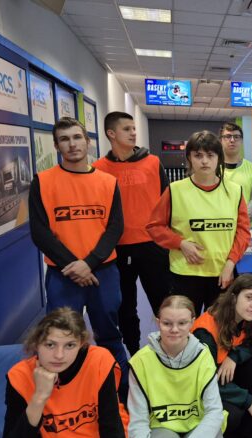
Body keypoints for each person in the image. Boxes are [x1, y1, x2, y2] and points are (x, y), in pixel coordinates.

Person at [28, 117, 128, 393]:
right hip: (63, 275)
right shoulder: (43, 182)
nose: (72, 144)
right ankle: (63, 396)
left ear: (87, 141)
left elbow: (115, 228)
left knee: (109, 335)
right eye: (64, 139)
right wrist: (74, 265)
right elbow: (40, 233)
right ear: (56, 145)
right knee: (59, 339)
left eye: (76, 137)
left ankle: (119, 394)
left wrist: (89, 263)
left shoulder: (108, 182)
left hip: (103, 272)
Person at [147, 130, 250, 315]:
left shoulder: (235, 191)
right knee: (186, 326)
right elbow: (154, 226)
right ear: (189, 158)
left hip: (222, 273)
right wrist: (180, 243)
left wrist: (230, 263)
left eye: (210, 155)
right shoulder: (175, 190)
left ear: (218, 158)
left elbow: (243, 232)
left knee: (219, 327)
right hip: (185, 274)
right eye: (198, 155)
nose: (204, 161)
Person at [94, 111, 171, 356]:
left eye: (134, 128)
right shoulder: (98, 169)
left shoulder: (153, 163)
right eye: (126, 129)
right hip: (117, 248)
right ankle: (134, 352)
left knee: (163, 303)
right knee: (125, 307)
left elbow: (168, 202)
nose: (133, 133)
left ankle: (170, 350)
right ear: (111, 134)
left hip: (153, 246)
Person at [4, 307, 127, 438]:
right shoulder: (19, 377)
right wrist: (39, 398)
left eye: (69, 345)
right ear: (36, 344)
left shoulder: (99, 362)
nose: (59, 355)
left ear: (81, 344)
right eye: (50, 345)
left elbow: (112, 429)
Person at [128, 295, 225, 438]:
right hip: (161, 427)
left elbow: (214, 411)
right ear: (158, 322)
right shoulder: (140, 361)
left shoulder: (204, 356)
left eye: (182, 323)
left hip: (198, 423)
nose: (174, 329)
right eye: (167, 323)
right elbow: (138, 421)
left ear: (192, 322)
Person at [192, 274, 252, 438]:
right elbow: (205, 380)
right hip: (203, 387)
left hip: (226, 377)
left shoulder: (250, 317)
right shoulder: (205, 331)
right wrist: (248, 400)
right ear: (234, 297)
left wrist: (234, 356)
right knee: (232, 415)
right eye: (249, 297)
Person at [220, 122, 252, 227]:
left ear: (241, 141)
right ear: (221, 140)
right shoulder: (213, 169)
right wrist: (225, 223)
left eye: (236, 137)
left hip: (248, 228)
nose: (232, 140)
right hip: (221, 228)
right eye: (227, 136)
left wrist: (239, 222)